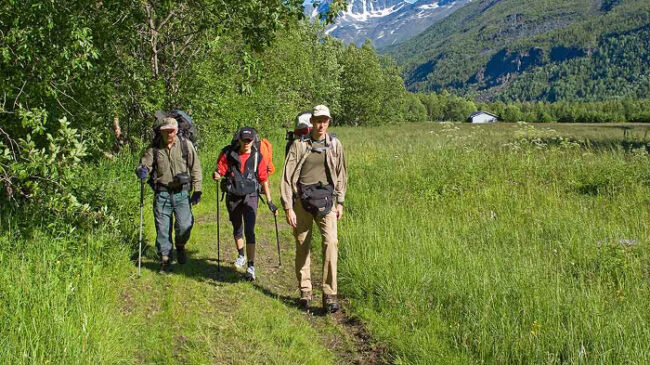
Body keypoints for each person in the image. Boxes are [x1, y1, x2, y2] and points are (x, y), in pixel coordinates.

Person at [280, 105, 347, 313]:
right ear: (312, 121)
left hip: (327, 202)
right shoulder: (299, 146)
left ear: (329, 121)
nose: (321, 124)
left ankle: (329, 294)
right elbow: (286, 176)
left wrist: (340, 202)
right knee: (302, 245)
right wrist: (288, 207)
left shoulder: (335, 145)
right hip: (302, 202)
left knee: (331, 243)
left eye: (325, 120)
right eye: (318, 120)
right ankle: (305, 290)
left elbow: (341, 173)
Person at [135, 117, 203, 273]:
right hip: (162, 193)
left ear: (177, 130)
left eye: (171, 131)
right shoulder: (154, 148)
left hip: (182, 193)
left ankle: (180, 245)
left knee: (185, 226)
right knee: (162, 229)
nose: (168, 134)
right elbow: (144, 164)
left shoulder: (186, 145)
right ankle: (165, 258)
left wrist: (197, 190)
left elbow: (196, 168)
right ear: (161, 131)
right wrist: (142, 170)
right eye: (165, 131)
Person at [213, 127, 278, 281]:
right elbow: (220, 169)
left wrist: (269, 201)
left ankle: (251, 266)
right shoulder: (228, 153)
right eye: (244, 140)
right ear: (239, 139)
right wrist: (216, 174)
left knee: (250, 230)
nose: (247, 143)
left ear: (253, 140)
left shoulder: (258, 157)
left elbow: (263, 179)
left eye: (250, 140)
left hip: (251, 195)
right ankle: (241, 255)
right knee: (237, 227)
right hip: (233, 195)